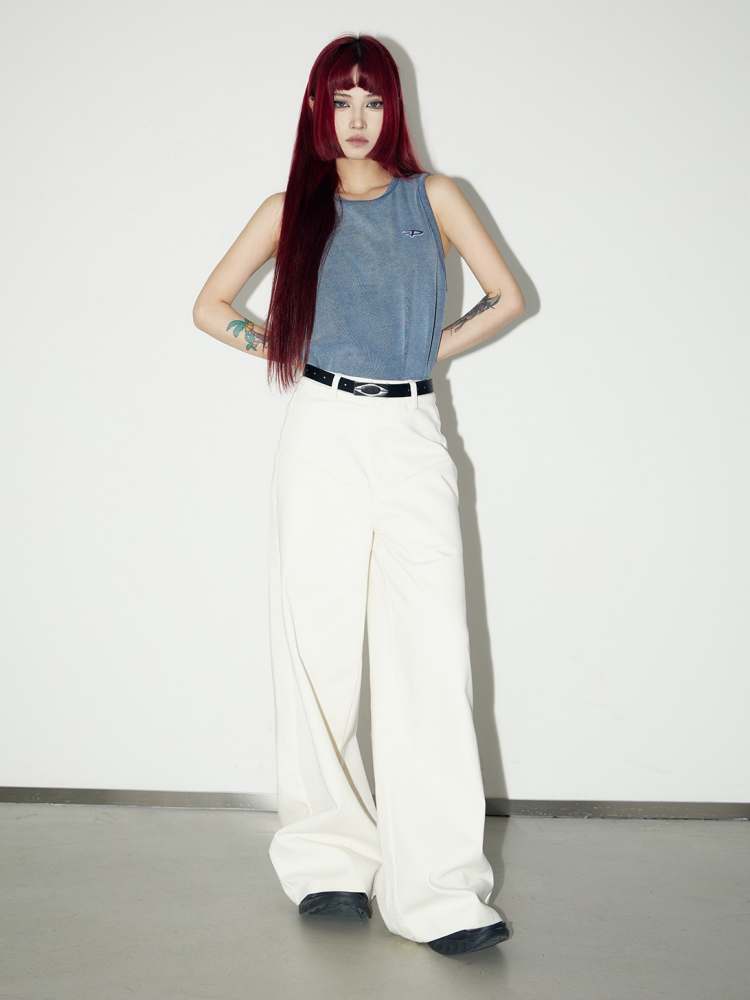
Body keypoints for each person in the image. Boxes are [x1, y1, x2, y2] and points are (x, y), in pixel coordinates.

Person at [192, 33, 525, 957]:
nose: (356, 118)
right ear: (316, 110)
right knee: (317, 644)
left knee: (432, 654)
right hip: (322, 430)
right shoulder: (289, 210)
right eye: (339, 101)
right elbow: (211, 306)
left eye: (371, 99)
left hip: (411, 429)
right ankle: (330, 861)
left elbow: (506, 297)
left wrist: (424, 352)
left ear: (393, 109)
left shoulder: (436, 198)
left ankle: (440, 891)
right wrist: (285, 345)